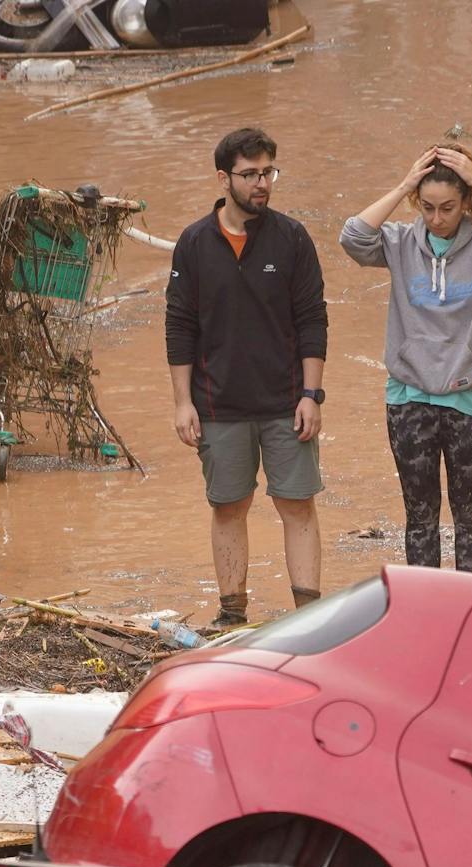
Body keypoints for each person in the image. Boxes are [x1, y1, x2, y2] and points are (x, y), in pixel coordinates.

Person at [340, 142, 472, 575]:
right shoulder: (398, 243)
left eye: (448, 207)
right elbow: (353, 236)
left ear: (467, 202)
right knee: (420, 516)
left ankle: (469, 609)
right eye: (426, 206)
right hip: (409, 398)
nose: (436, 218)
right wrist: (404, 184)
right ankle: (425, 608)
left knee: (470, 517)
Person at [165, 125, 328, 628]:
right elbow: (179, 325)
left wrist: (311, 394)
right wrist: (181, 402)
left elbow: (312, 319)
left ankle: (310, 617)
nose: (263, 183)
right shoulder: (194, 243)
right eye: (251, 174)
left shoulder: (292, 238)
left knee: (296, 504)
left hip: (285, 402)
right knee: (229, 506)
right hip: (218, 405)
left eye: (269, 172)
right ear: (224, 178)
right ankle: (232, 615)